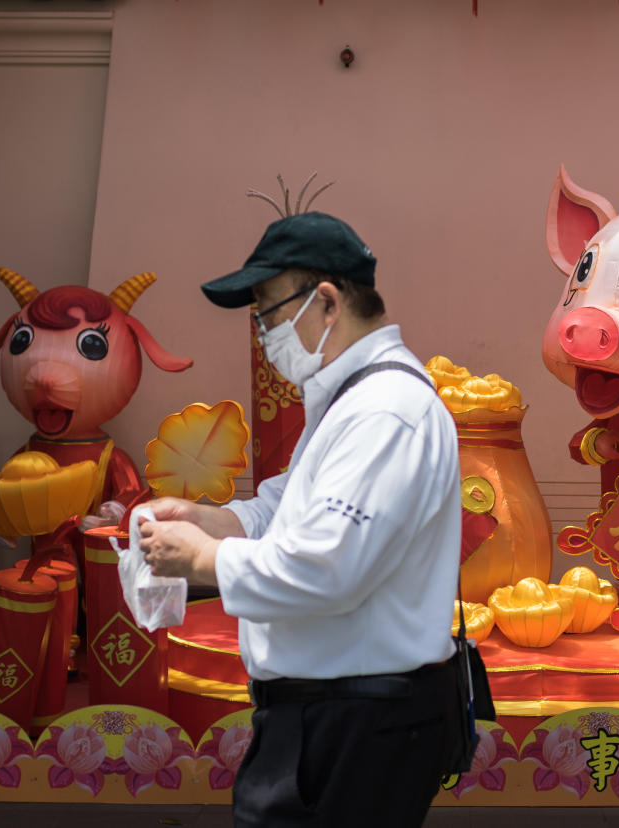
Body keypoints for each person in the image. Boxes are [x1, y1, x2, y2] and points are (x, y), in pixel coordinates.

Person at [138, 211, 460, 827]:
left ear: (327, 301)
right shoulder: (351, 400)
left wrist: (200, 557)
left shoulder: (384, 411)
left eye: (266, 310)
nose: (261, 331)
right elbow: (284, 509)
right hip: (331, 716)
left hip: (355, 721)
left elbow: (325, 565)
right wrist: (206, 518)